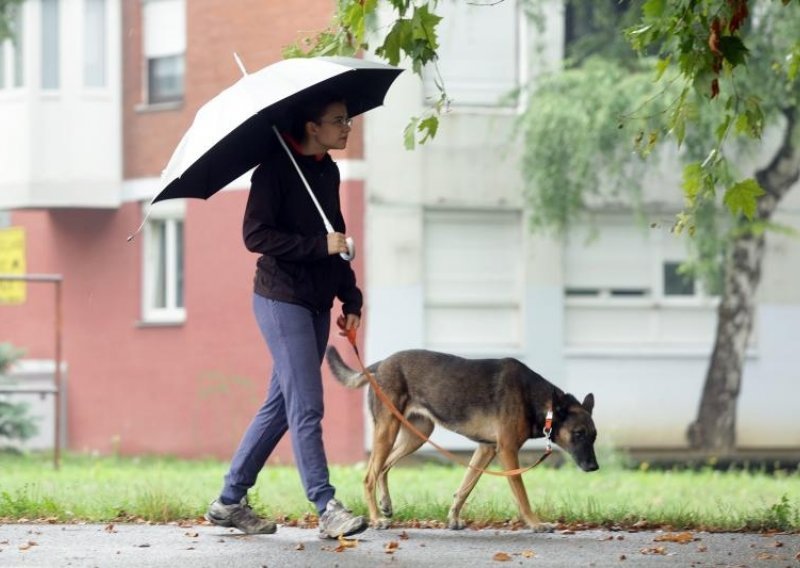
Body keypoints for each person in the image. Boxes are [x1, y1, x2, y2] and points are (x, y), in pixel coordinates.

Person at [204, 93, 367, 539]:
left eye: (348, 119)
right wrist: (318, 246)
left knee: (281, 407)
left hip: (317, 302)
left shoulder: (326, 169)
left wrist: (351, 300)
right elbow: (255, 235)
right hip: (280, 299)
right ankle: (326, 505)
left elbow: (334, 238)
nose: (347, 126)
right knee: (307, 404)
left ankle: (229, 501)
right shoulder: (274, 170)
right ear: (312, 127)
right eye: (338, 120)